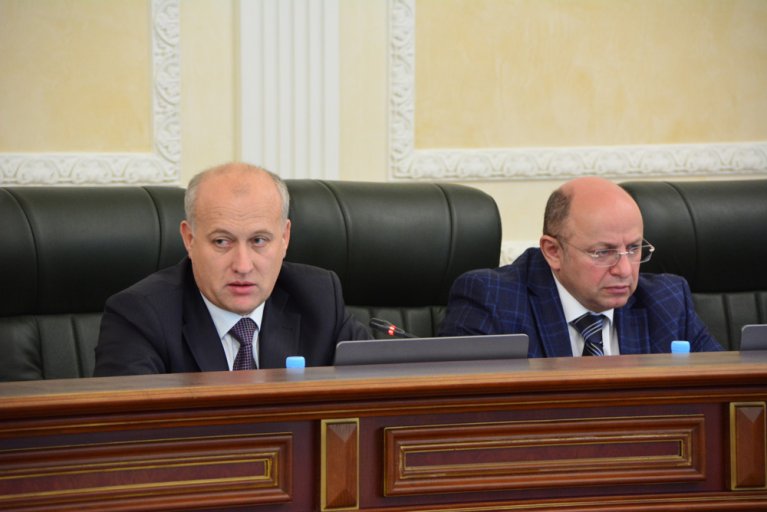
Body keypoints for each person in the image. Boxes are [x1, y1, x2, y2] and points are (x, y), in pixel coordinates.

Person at [94, 162, 371, 376]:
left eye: (258, 241)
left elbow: (375, 394)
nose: (242, 266)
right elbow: (127, 428)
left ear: (285, 238)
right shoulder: (139, 316)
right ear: (189, 239)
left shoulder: (320, 298)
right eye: (222, 242)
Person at [439, 176, 722, 357]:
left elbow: (724, 394)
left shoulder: (668, 303)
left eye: (633, 249)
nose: (624, 270)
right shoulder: (492, 301)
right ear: (553, 251)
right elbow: (465, 414)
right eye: (603, 252)